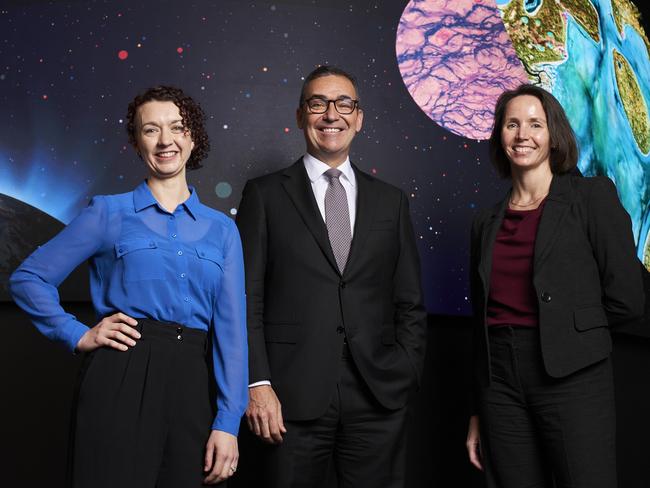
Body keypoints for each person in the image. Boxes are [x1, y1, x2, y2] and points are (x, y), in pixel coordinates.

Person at [10, 86, 248, 487]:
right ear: (137, 143)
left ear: (193, 137)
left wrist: (228, 422)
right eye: (150, 130)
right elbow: (29, 278)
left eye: (177, 127)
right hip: (122, 372)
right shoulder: (108, 212)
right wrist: (77, 333)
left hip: (196, 380)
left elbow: (233, 333)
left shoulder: (222, 229)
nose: (165, 140)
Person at [234, 65, 427, 487]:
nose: (330, 115)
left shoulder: (391, 201)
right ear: (301, 115)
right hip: (288, 396)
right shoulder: (264, 195)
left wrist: (406, 369)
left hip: (377, 395)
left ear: (359, 118)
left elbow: (408, 300)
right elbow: (245, 298)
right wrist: (257, 383)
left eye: (344, 104)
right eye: (318, 103)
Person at [466, 84, 644, 488]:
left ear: (553, 134)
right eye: (512, 124)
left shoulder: (590, 198)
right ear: (500, 136)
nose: (522, 134)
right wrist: (477, 408)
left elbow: (628, 299)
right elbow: (480, 321)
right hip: (499, 385)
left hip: (571, 375)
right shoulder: (485, 223)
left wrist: (570, 331)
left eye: (535, 124)